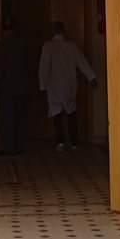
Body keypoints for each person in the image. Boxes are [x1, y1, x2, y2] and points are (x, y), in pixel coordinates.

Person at [38, 21, 96, 150]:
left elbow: (44, 67)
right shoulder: (71, 47)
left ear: (53, 31)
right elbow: (82, 62)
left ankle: (60, 142)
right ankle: (74, 142)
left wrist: (42, 85)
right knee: (71, 113)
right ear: (64, 31)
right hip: (69, 84)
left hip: (54, 85)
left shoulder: (48, 47)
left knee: (57, 115)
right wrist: (91, 77)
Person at [0, 18, 29, 156]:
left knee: (6, 118)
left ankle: (8, 147)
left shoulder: (2, 45)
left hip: (6, 88)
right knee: (19, 117)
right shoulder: (22, 44)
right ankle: (19, 147)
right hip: (21, 87)